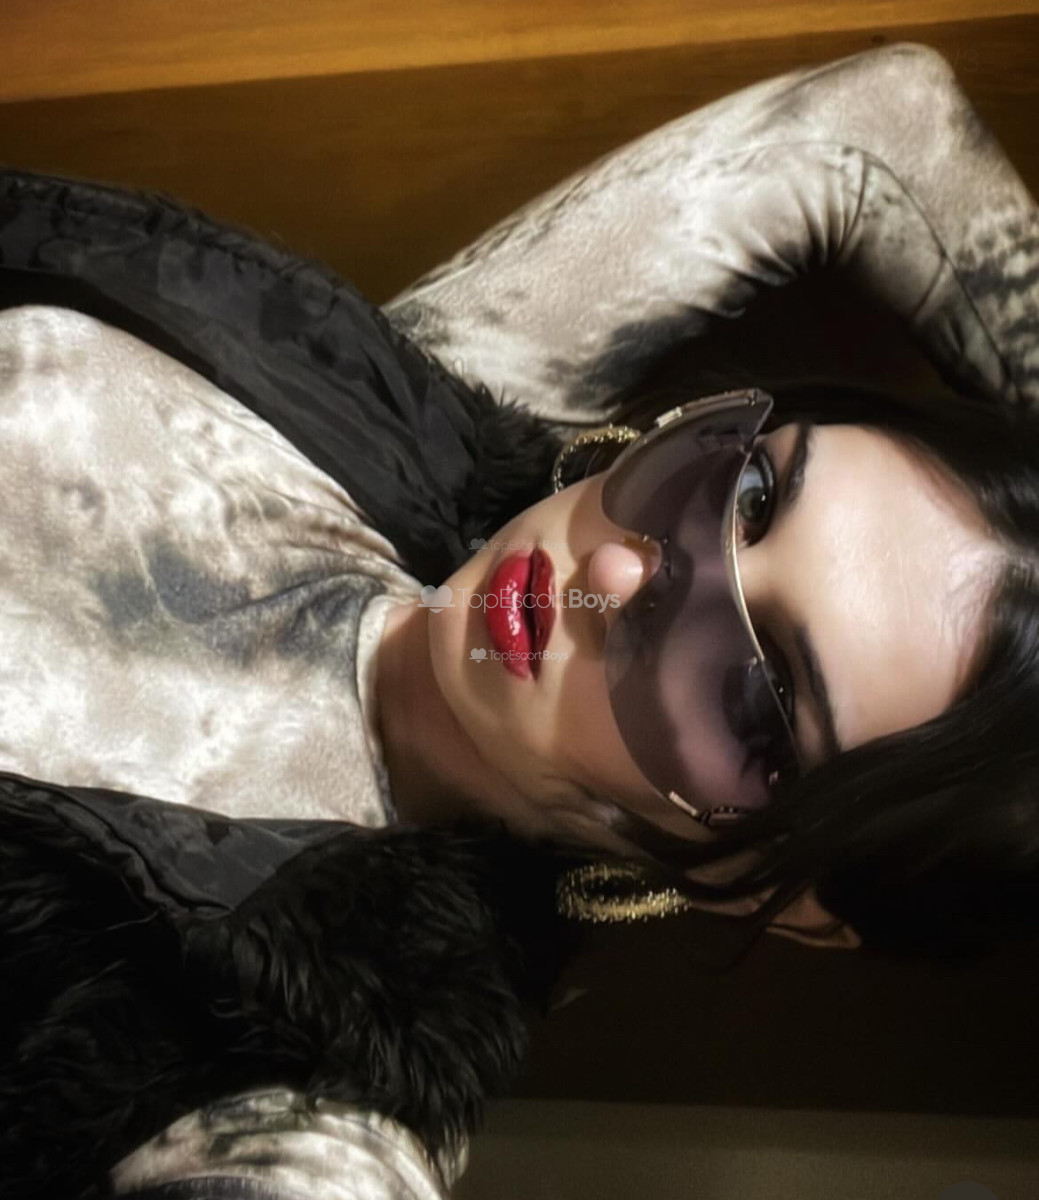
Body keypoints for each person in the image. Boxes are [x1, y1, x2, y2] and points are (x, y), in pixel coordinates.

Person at [0, 38, 1035, 1200]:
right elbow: (878, 120)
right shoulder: (431, 407)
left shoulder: (308, 1075)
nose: (615, 572)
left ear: (778, 900)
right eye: (744, 489)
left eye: (753, 691)